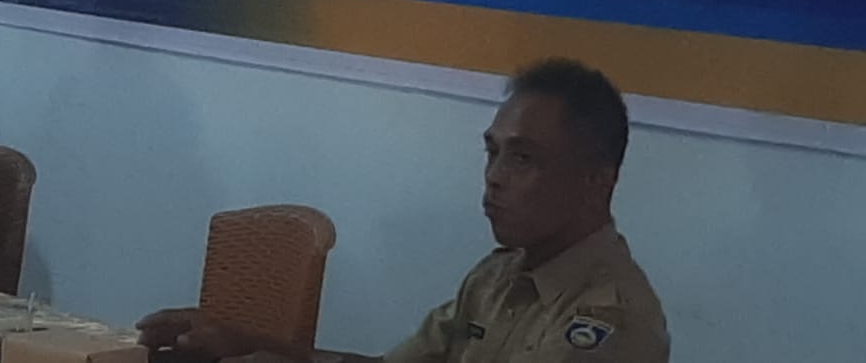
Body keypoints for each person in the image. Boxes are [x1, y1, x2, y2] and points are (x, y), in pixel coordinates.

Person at [138, 59, 669, 363]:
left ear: (597, 181)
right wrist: (241, 343)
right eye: (492, 152)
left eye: (524, 158)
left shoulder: (607, 321)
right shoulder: (499, 276)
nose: (495, 176)